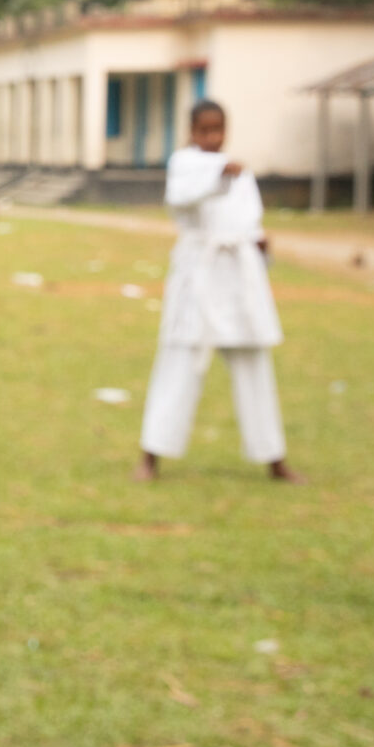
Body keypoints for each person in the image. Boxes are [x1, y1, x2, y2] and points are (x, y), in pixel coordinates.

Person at [134, 100, 297, 484]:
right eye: (204, 130)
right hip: (199, 273)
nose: (212, 137)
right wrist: (219, 174)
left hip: (238, 275)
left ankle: (273, 457)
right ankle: (151, 455)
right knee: (179, 362)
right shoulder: (184, 164)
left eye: (218, 129)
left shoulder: (241, 173)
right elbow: (182, 198)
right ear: (191, 132)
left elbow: (249, 221)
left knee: (254, 365)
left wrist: (259, 244)